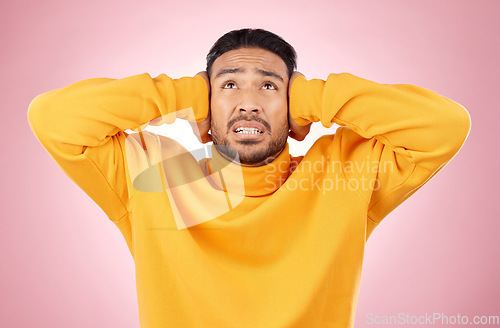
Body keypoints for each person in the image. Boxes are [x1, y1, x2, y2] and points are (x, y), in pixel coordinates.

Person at [27, 28, 471, 328]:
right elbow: (54, 118)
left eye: (270, 86)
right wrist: (183, 94)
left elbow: (444, 126)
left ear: (295, 105)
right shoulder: (155, 179)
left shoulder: (340, 175)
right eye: (229, 86)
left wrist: (314, 96)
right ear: (205, 108)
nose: (249, 102)